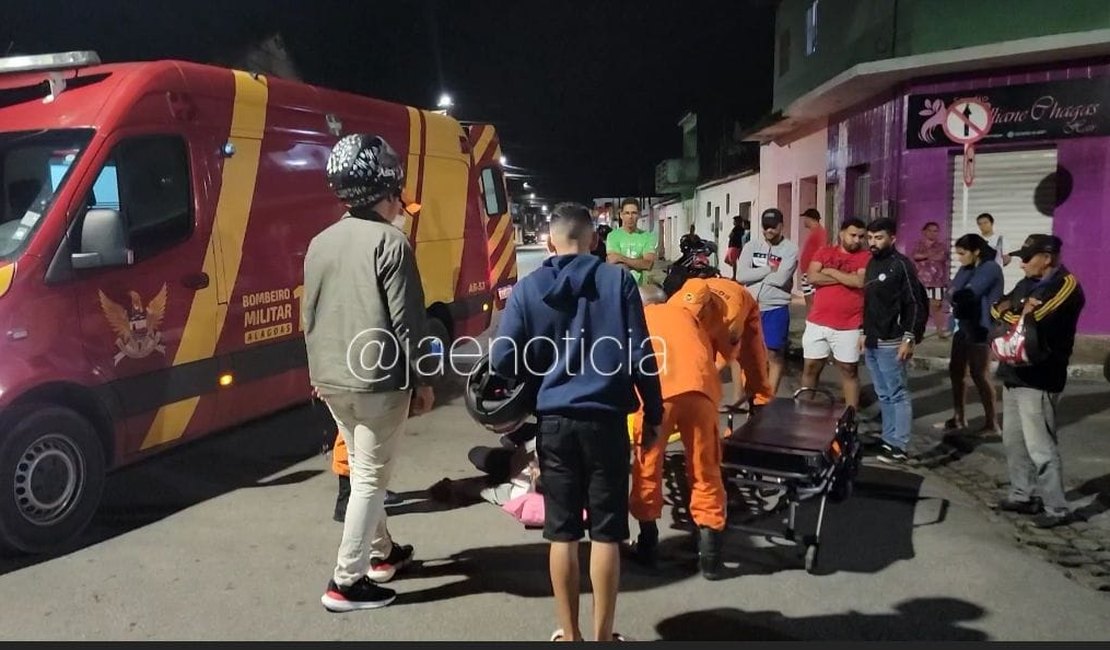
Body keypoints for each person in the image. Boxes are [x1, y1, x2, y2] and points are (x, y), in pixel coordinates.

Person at [491, 201, 664, 642]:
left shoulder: (528, 289)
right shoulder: (618, 281)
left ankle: (570, 637)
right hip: (607, 422)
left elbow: (503, 360)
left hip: (554, 424)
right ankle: (604, 638)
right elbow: (641, 353)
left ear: (550, 241)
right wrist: (655, 412)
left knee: (562, 532)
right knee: (607, 534)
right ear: (593, 240)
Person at [305, 134, 435, 612]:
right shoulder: (392, 243)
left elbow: (309, 317)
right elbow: (408, 322)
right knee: (369, 480)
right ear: (387, 189)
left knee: (364, 470)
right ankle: (346, 582)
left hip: (332, 380)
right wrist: (422, 381)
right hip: (378, 381)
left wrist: (316, 372)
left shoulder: (320, 243)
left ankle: (381, 555)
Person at [628, 279, 732, 580]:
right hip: (701, 392)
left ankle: (648, 543)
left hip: (657, 395)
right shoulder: (687, 315)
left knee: (648, 465)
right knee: (705, 467)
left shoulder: (637, 318)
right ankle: (711, 552)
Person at [991, 235, 1085, 529]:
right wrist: (1020, 311)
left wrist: (1020, 313)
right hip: (1014, 372)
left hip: (1041, 375)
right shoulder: (1026, 284)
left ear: (1048, 257)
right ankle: (1022, 494)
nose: (1022, 263)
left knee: (1040, 446)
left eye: (1028, 257)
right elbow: (997, 308)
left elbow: (1042, 316)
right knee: (1014, 442)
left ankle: (1056, 507)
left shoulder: (1066, 285)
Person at [861, 218, 921, 465]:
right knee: (883, 393)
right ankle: (888, 439)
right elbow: (869, 302)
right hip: (873, 340)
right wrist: (863, 332)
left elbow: (914, 302)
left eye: (879, 238)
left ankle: (900, 445)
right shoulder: (872, 263)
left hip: (893, 340)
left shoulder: (902, 266)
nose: (873, 243)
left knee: (897, 394)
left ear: (892, 238)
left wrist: (909, 337)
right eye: (871, 237)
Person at [799, 218, 870, 408]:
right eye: (853, 235)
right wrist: (847, 278)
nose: (856, 240)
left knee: (849, 370)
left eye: (861, 237)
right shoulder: (824, 252)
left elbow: (859, 282)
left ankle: (851, 415)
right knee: (811, 367)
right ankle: (804, 410)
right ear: (842, 234)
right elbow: (812, 276)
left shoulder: (865, 257)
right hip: (818, 322)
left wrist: (831, 272)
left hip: (849, 324)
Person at [939, 234, 1004, 435]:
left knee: (979, 373)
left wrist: (955, 294)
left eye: (962, 253)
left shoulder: (990, 268)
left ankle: (991, 423)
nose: (959, 258)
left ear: (976, 251)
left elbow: (968, 293)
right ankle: (958, 417)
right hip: (962, 326)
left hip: (981, 328)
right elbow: (952, 291)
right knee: (956, 371)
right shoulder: (966, 269)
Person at [736, 207, 799, 396]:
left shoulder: (790, 249)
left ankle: (768, 399)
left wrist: (755, 275)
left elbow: (781, 279)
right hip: (752, 307)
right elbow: (741, 276)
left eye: (773, 227)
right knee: (751, 355)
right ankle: (750, 398)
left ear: (781, 226)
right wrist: (768, 270)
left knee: (773, 354)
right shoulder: (751, 246)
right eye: (765, 227)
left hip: (776, 307)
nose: (768, 231)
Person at [704, 277, 773, 408]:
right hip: (713, 307)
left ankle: (755, 403)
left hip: (743, 309)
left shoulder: (732, 314)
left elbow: (729, 351)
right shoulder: (681, 307)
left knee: (750, 359)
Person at [605, 198, 657, 285]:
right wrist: (638, 262)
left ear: (639, 215)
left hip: (640, 288)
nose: (630, 217)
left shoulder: (648, 237)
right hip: (619, 286)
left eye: (634, 213)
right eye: (627, 213)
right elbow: (614, 263)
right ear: (621, 215)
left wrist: (621, 258)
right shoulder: (613, 236)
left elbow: (648, 264)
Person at [912, 221, 951, 338]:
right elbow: (915, 256)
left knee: (937, 306)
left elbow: (942, 256)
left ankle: (940, 331)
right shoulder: (918, 244)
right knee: (920, 306)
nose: (933, 233)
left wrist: (924, 256)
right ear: (924, 232)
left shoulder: (941, 245)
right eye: (930, 230)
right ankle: (918, 331)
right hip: (920, 280)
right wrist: (930, 255)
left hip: (937, 281)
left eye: (936, 231)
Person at [798, 208, 827, 310]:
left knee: (812, 300)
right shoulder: (814, 232)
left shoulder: (819, 232)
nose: (804, 221)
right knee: (808, 299)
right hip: (806, 272)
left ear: (810, 219)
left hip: (811, 272)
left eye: (805, 218)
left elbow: (822, 250)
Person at [724, 215, 746, 280]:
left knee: (733, 261)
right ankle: (735, 272)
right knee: (727, 260)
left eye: (734, 221)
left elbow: (730, 235)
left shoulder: (736, 228)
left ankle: (734, 276)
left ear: (737, 221)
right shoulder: (741, 229)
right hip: (734, 246)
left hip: (734, 246)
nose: (733, 222)